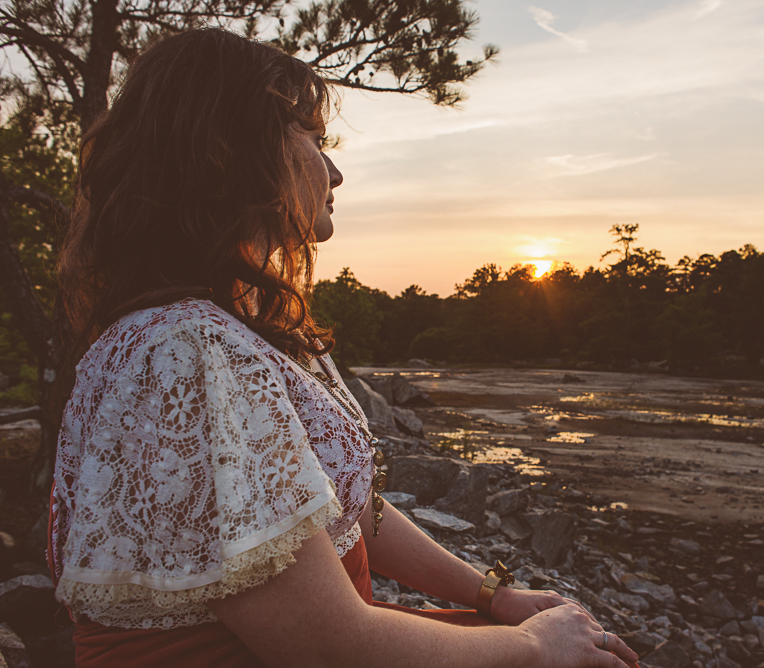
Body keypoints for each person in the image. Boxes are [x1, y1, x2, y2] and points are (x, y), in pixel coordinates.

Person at [48, 28, 640, 668]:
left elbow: (348, 507)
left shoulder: (223, 328)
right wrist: (530, 647)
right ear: (229, 149)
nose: (333, 170)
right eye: (314, 138)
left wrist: (492, 595)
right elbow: (331, 645)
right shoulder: (188, 351)